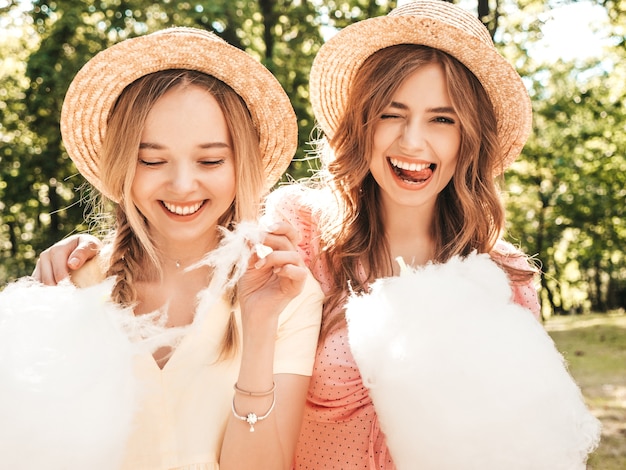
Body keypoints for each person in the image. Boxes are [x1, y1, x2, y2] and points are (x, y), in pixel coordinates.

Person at [34, 2, 600, 468]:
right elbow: (194, 232)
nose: (412, 142)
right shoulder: (297, 232)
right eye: (391, 113)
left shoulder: (504, 282)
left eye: (442, 119)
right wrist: (99, 253)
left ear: (469, 137)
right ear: (362, 122)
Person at [9, 27, 323, 470]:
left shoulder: (289, 295)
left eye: (210, 160)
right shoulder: (73, 282)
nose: (181, 186)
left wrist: (257, 330)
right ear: (121, 166)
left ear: (241, 165)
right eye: (152, 160)